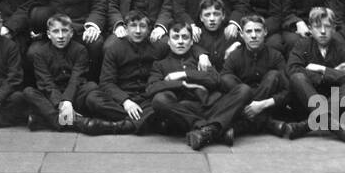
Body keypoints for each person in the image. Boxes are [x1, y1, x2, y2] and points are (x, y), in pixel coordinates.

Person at [148, 17, 248, 149]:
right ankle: (213, 129)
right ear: (169, 42)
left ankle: (206, 131)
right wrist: (183, 84)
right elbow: (151, 87)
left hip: (213, 106)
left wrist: (185, 75)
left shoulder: (201, 60)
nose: (180, 42)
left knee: (243, 90)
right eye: (176, 37)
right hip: (185, 111)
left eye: (185, 37)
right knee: (159, 101)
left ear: (191, 42)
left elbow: (215, 79)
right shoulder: (160, 65)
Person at [283, 6, 345, 142]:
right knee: (298, 77)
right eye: (317, 27)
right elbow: (292, 69)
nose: (323, 31)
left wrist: (322, 69)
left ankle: (306, 125)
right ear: (310, 28)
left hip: (332, 101)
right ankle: (334, 126)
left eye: (327, 27)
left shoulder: (342, 48)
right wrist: (334, 73)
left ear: (334, 28)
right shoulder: (302, 45)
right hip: (305, 101)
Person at [79, 10, 158, 135]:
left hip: (146, 98)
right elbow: (106, 82)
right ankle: (142, 120)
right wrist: (126, 101)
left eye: (142, 26)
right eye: (133, 26)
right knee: (93, 98)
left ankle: (116, 126)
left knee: (160, 103)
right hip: (120, 100)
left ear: (148, 30)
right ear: (126, 29)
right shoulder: (114, 49)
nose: (138, 31)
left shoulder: (156, 50)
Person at [24, 13, 90, 131]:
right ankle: (72, 122)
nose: (60, 36)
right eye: (55, 32)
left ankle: (51, 121)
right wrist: (61, 103)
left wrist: (67, 100)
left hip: (74, 94)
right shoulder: (40, 53)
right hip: (53, 97)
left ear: (71, 33)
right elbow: (46, 83)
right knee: (29, 92)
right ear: (49, 34)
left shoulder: (80, 50)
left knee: (92, 87)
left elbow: (76, 78)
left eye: (64, 31)